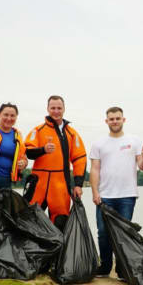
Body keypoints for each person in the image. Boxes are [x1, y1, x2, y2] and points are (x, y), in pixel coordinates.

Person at [89, 106, 143, 279]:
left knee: (124, 233)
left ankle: (122, 268)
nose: (115, 121)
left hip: (127, 195)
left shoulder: (135, 140)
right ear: (106, 121)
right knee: (103, 232)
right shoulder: (99, 143)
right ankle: (105, 266)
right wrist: (94, 192)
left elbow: (142, 166)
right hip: (105, 195)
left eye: (118, 118)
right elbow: (94, 169)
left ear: (124, 120)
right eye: (111, 119)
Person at [24, 95, 87, 232]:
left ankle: (58, 253)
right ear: (47, 109)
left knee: (60, 223)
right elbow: (28, 152)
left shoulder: (71, 134)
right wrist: (43, 150)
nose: (56, 111)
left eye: (59, 108)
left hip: (60, 186)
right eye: (53, 108)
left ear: (64, 109)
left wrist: (78, 184)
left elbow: (79, 158)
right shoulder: (38, 130)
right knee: (30, 221)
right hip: (39, 184)